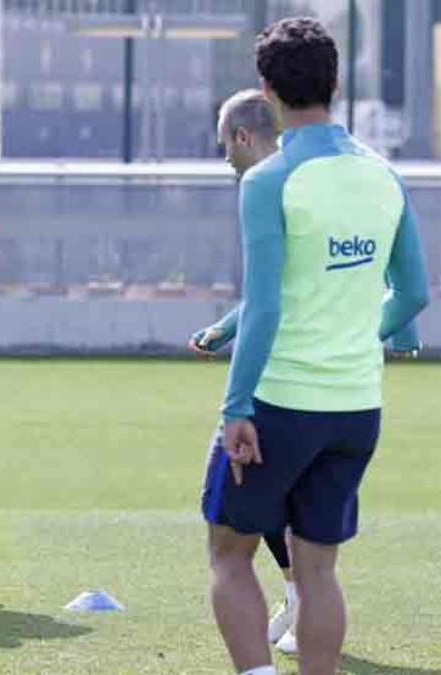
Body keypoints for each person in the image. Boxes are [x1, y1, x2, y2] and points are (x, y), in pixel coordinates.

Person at [202, 17, 429, 675]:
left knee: (229, 552)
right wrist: (357, 338)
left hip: (281, 401)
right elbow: (413, 294)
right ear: (333, 84)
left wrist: (236, 406)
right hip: (357, 408)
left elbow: (266, 305)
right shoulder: (384, 176)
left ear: (266, 91)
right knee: (319, 566)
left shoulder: (269, 180)